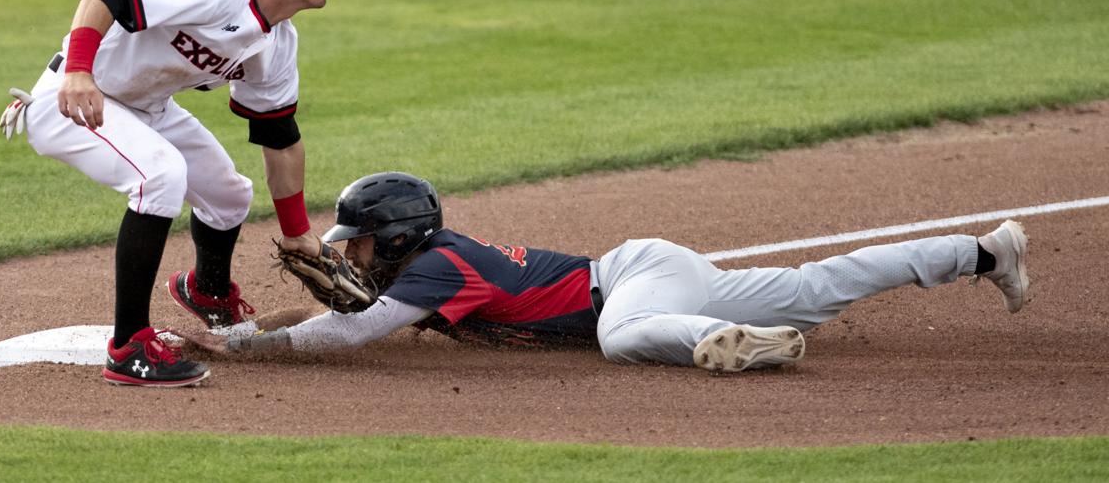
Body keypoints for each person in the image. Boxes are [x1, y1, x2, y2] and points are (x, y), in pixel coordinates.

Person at [0, 0, 367, 387]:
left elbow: (279, 138)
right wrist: (79, 71)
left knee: (230, 195)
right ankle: (128, 347)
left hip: (145, 107)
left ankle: (207, 292)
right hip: (70, 100)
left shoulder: (277, 44)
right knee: (161, 175)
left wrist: (297, 233)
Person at [176, 171, 1031, 372]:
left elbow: (354, 328)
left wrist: (243, 348)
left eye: (357, 243)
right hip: (649, 269)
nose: (349, 255)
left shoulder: (436, 268)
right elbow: (342, 313)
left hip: (632, 288)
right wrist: (243, 334)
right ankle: (985, 251)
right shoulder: (430, 264)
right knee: (817, 284)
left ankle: (737, 343)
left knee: (623, 340)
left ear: (397, 237)